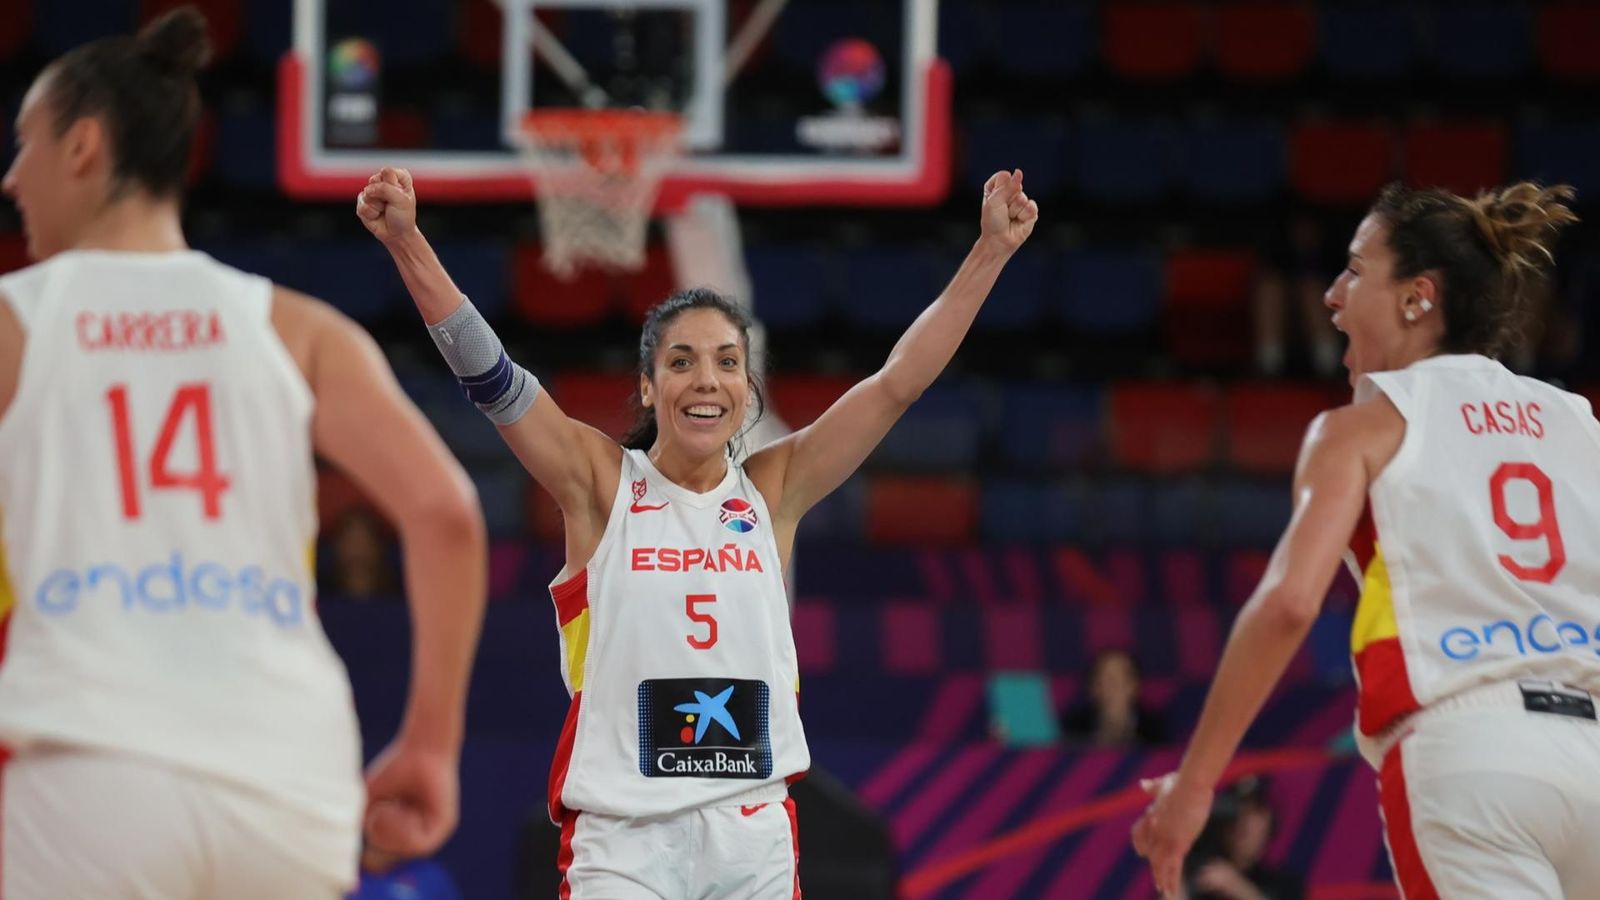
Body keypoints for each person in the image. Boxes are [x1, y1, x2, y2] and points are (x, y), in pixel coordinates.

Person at [357, 164, 1038, 897]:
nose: (706, 380)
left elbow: (899, 380)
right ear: (649, 386)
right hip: (624, 839)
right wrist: (408, 245)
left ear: (748, 390)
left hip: (752, 839)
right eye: (681, 362)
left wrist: (990, 253)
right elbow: (492, 378)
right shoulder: (599, 482)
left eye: (727, 363)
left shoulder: (776, 490)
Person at [0, 9, 487, 897]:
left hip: (91, 761)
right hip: (291, 775)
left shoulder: (16, 320)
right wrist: (428, 747)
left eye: (24, 144)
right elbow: (447, 512)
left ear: (83, 147)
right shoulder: (298, 328)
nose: (11, 177)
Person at [1132, 180, 1588, 899]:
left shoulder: (1361, 426)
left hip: (1467, 751)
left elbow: (1287, 605)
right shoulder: (1579, 423)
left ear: (1418, 297)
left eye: (1354, 269)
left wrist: (1195, 786)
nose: (1332, 296)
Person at [1183, 777, 1303, 900]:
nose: (1244, 820)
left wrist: (1239, 888)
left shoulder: (1285, 886)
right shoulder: (1196, 875)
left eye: (1255, 810)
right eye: (1238, 808)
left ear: (1271, 822)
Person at [1059, 647, 1167, 747]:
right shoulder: (1075, 727)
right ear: (1093, 688)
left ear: (1135, 686)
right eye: (1104, 680)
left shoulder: (1154, 728)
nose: (1111, 687)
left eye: (1119, 679)